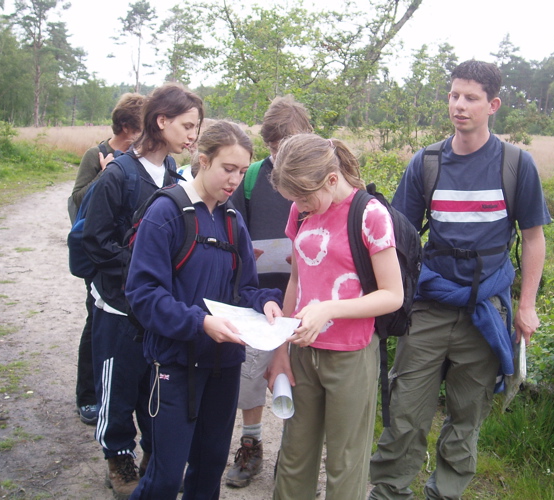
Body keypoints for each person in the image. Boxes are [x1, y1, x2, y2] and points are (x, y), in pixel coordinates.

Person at [368, 60, 551, 500]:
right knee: (406, 408)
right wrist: (385, 299)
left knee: (467, 415)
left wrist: (526, 306)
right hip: (428, 306)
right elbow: (396, 238)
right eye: (454, 95)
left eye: (470, 98)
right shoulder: (426, 162)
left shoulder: (516, 165)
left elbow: (533, 239)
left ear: (493, 105)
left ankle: (445, 492)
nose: (459, 105)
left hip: (485, 309)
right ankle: (389, 491)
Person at [125, 120, 284, 500]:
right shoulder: (166, 213)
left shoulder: (233, 220)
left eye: (243, 171)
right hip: (176, 364)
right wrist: (200, 322)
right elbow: (143, 293)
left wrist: (267, 302)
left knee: (209, 470)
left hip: (224, 364)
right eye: (228, 169)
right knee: (165, 476)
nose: (235, 180)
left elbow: (245, 286)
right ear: (202, 161)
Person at [266, 133, 404, 500]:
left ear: (331, 179)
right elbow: (297, 277)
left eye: (304, 197)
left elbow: (393, 295)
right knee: (295, 454)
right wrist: (281, 347)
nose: (298, 205)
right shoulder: (302, 209)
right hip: (303, 350)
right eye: (294, 199)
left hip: (351, 354)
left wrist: (329, 308)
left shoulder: (370, 214)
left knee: (345, 462)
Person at [82, 83, 201, 499]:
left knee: (154, 383)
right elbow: (93, 241)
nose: (193, 136)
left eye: (197, 128)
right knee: (118, 383)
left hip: (154, 308)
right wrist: (137, 272)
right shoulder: (118, 175)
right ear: (161, 120)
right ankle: (117, 456)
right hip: (117, 305)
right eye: (187, 125)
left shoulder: (174, 177)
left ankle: (154, 454)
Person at [226, 95, 313, 488]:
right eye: (275, 149)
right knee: (251, 374)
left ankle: (295, 458)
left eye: (289, 147)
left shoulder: (322, 172)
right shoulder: (253, 176)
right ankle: (252, 444)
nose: (281, 157)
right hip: (261, 295)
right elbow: (235, 231)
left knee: (304, 380)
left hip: (313, 299)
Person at [70, 92, 144, 426]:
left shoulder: (144, 158)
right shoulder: (96, 154)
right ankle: (88, 396)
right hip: (100, 255)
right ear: (127, 126)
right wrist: (106, 172)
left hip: (129, 255)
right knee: (95, 322)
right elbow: (77, 201)